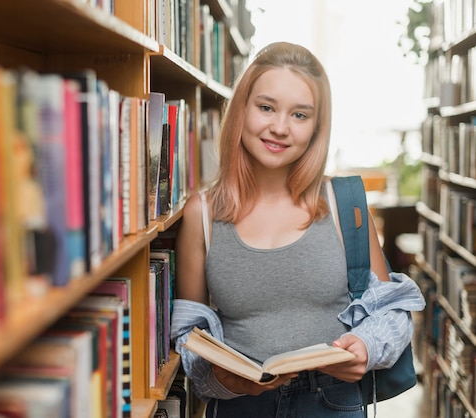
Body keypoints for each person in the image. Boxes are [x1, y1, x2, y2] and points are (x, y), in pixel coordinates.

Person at [170, 41, 425, 417]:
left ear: (317, 127)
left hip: (333, 401)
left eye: (300, 115)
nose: (279, 128)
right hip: (240, 407)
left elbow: (391, 311)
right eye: (266, 107)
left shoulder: (345, 203)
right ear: (241, 108)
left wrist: (366, 347)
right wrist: (222, 380)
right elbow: (188, 335)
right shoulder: (202, 214)